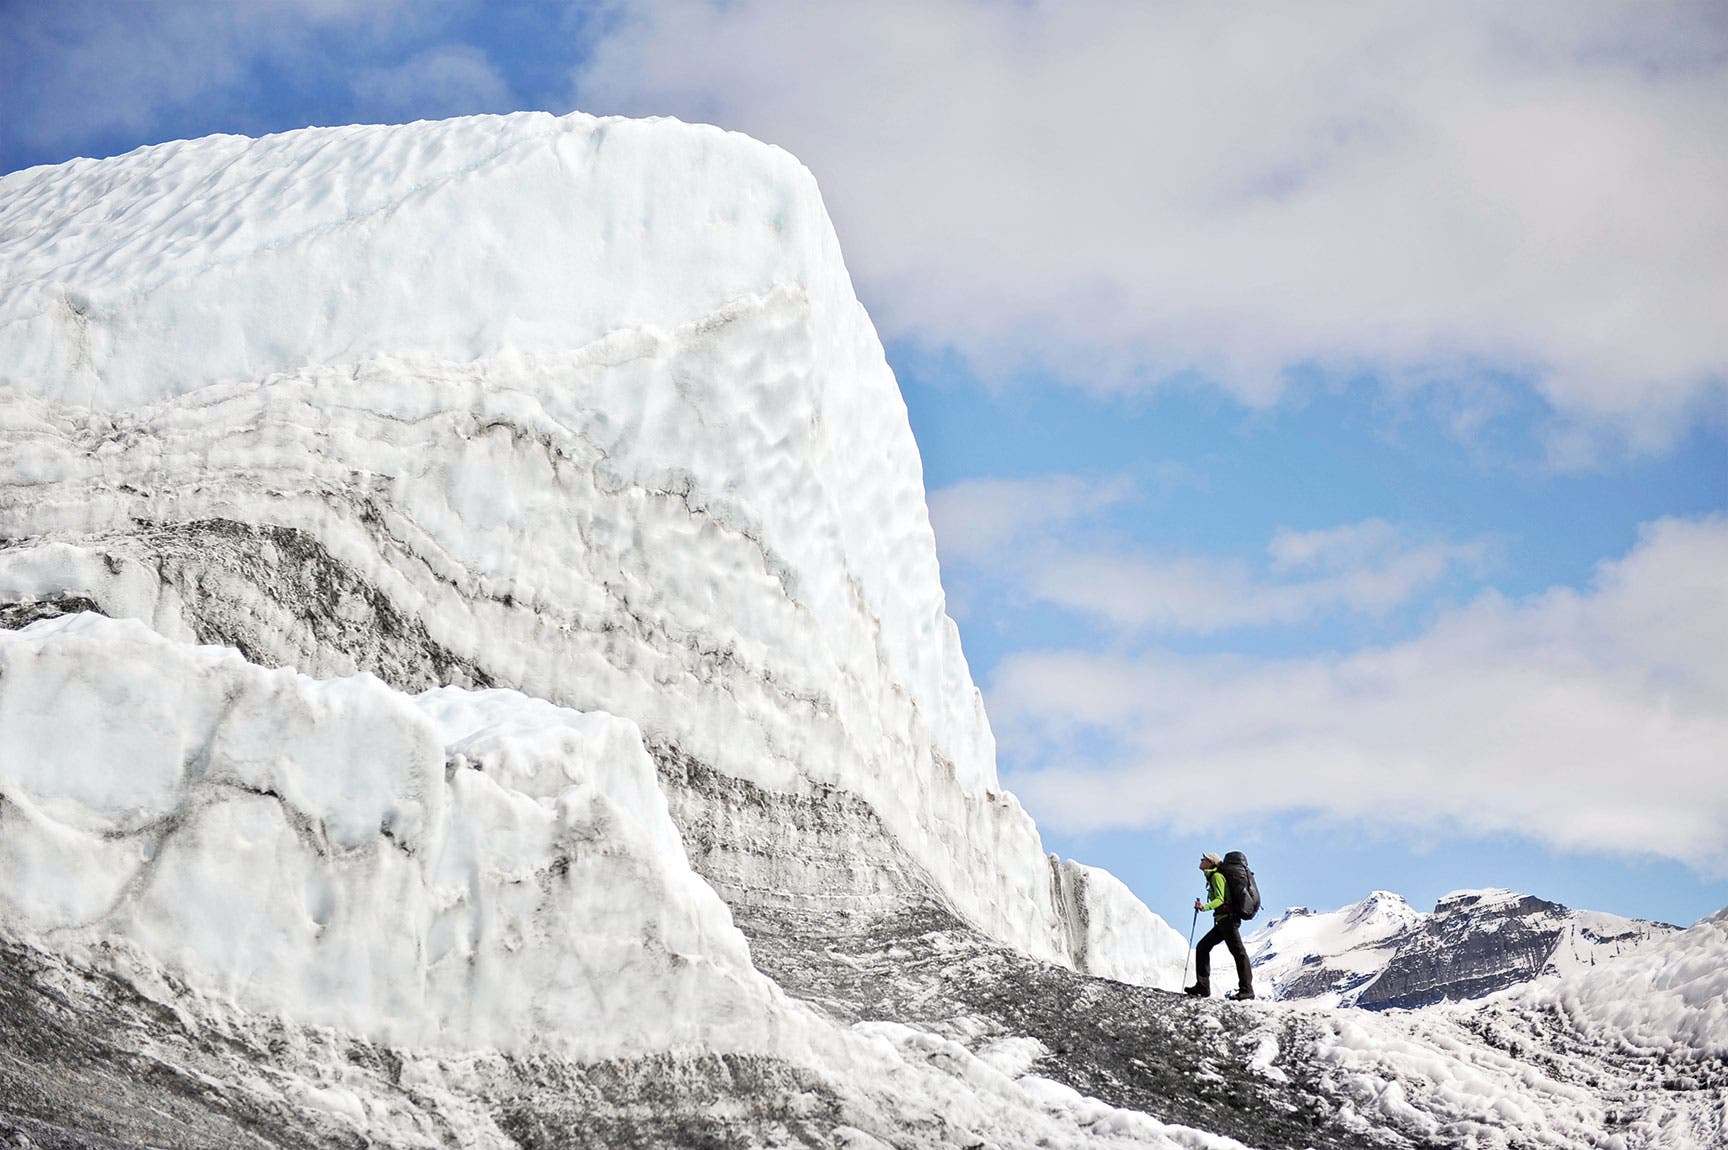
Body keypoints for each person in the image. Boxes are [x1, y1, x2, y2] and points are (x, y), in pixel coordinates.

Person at [1186, 852, 1254, 1000]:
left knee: (1238, 953)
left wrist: (1204, 907)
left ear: (1210, 863)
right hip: (1224, 921)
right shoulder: (1212, 877)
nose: (1201, 860)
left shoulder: (1217, 877)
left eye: (1204, 859)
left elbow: (1220, 899)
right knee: (1203, 947)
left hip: (1227, 921)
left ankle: (1247, 990)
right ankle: (1203, 986)